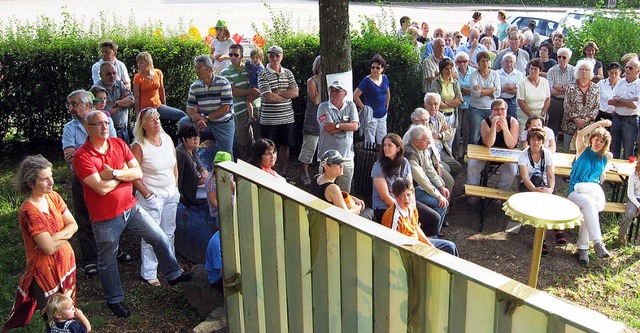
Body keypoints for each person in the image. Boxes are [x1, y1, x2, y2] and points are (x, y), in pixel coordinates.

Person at [73, 110, 192, 317]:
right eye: (99, 124)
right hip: (105, 218)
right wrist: (124, 177)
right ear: (87, 128)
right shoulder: (82, 155)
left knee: (159, 237)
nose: (104, 126)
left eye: (106, 122)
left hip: (131, 207)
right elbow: (99, 188)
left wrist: (115, 173)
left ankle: (172, 274)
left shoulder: (119, 144)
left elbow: (137, 173)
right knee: (107, 260)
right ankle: (114, 299)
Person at [3, 155, 78, 332]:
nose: (51, 182)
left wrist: (55, 237)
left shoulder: (53, 197)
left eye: (51, 176)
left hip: (66, 265)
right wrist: (64, 235)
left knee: (68, 310)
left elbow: (74, 225)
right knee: (55, 319)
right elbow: (48, 248)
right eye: (45, 179)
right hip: (45, 273)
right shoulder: (29, 212)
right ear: (31, 183)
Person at [62, 90, 118, 278]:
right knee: (85, 216)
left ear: (87, 105)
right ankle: (90, 258)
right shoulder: (70, 128)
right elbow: (69, 155)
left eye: (74, 104)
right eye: (69, 104)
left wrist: (84, 155)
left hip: (106, 174)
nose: (70, 108)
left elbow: (113, 147)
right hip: (82, 178)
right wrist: (93, 154)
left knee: (111, 214)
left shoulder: (104, 120)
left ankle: (113, 251)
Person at [131, 108, 180, 287]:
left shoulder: (167, 139)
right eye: (152, 120)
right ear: (143, 125)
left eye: (157, 118)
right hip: (150, 196)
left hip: (170, 193)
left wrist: (175, 187)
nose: (157, 122)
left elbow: (174, 166)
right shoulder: (139, 146)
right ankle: (149, 272)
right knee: (152, 235)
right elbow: (134, 175)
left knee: (169, 232)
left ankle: (171, 268)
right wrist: (147, 194)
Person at [372, 133, 441, 235]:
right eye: (384, 145)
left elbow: (410, 189)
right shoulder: (378, 166)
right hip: (386, 207)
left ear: (398, 148)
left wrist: (412, 208)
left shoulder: (405, 162)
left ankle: (426, 243)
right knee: (403, 227)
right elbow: (385, 196)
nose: (386, 148)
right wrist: (404, 212)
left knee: (434, 218)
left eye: (389, 145)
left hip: (406, 202)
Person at [567, 120, 613, 264]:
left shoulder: (606, 157)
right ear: (591, 139)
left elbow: (604, 167)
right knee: (587, 204)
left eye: (601, 141)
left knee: (589, 206)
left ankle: (584, 248)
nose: (597, 143)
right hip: (576, 192)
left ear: (605, 145)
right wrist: (600, 123)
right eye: (596, 139)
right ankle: (595, 243)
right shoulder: (582, 150)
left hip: (593, 193)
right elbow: (580, 133)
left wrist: (604, 171)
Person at [381, 178, 458, 256]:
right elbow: (391, 243)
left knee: (450, 246)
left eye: (408, 195)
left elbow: (416, 227)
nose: (406, 199)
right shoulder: (394, 217)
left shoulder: (411, 207)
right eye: (401, 196)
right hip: (407, 251)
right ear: (395, 196)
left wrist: (429, 245)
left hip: (417, 242)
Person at [181, 55, 235, 167]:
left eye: (199, 67)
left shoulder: (223, 83)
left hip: (223, 122)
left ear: (209, 69)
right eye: (195, 67)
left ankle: (229, 179)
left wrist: (206, 118)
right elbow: (189, 109)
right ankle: (184, 158)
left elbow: (226, 107)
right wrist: (197, 117)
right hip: (204, 121)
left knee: (226, 153)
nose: (196, 70)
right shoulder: (194, 86)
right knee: (183, 122)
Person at [466, 99, 519, 204]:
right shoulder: (485, 122)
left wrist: (505, 128)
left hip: (504, 157)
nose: (499, 112)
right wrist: (494, 127)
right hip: (484, 155)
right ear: (492, 111)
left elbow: (511, 144)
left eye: (502, 109)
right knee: (473, 166)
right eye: (496, 110)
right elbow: (489, 143)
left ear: (506, 110)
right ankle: (473, 192)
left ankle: (499, 193)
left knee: (512, 171)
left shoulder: (513, 122)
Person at [258, 45, 299, 175]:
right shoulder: (263, 74)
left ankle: (283, 171)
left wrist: (279, 92)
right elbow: (269, 97)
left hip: (287, 118)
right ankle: (269, 173)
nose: (275, 58)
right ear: (268, 56)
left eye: (277, 55)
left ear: (282, 56)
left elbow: (296, 93)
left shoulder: (288, 73)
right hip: (269, 120)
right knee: (268, 149)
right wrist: (286, 94)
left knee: (285, 146)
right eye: (272, 55)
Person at [404, 125, 450, 236]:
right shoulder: (409, 154)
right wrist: (438, 196)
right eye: (426, 140)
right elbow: (422, 179)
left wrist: (440, 186)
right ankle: (432, 236)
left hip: (420, 187)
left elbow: (430, 169)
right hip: (411, 190)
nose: (429, 142)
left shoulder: (423, 149)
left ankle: (435, 233)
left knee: (442, 200)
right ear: (416, 141)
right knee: (441, 204)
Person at [518, 128, 556, 256]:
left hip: (543, 185)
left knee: (548, 202)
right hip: (528, 186)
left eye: (538, 139)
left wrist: (550, 189)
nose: (535, 142)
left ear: (543, 141)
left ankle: (545, 236)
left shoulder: (548, 154)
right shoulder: (524, 154)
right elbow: (524, 177)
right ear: (529, 140)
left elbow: (551, 175)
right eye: (533, 139)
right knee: (542, 203)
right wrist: (534, 190)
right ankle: (544, 238)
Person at [220, 44, 262, 161]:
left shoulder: (250, 68)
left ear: (242, 56)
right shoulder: (225, 72)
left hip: (256, 107)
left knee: (259, 140)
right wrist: (252, 90)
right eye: (230, 55)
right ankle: (245, 167)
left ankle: (259, 166)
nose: (233, 57)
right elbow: (234, 92)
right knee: (243, 142)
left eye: (236, 54)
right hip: (239, 110)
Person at [317, 80, 359, 193]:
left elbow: (355, 126)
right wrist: (347, 125)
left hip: (347, 158)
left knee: (344, 194)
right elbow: (329, 129)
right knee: (325, 192)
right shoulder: (323, 107)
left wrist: (337, 125)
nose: (333, 93)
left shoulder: (351, 105)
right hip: (327, 159)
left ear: (345, 93)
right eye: (332, 90)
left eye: (337, 90)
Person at [311, 149, 374, 220]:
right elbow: (345, 215)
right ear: (327, 167)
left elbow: (332, 195)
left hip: (318, 219)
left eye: (342, 163)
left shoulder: (316, 178)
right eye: (338, 164)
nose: (342, 166)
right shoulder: (332, 188)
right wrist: (357, 208)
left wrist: (353, 198)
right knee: (370, 212)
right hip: (331, 224)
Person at [133, 51, 187, 122]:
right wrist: (138, 114)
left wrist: (165, 105)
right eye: (138, 63)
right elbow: (136, 97)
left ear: (148, 62)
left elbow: (161, 90)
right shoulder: (138, 78)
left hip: (158, 106)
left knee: (181, 115)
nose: (139, 65)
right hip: (146, 109)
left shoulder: (158, 73)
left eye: (141, 63)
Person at [561, 59, 600, 153]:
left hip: (588, 127)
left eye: (587, 70)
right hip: (571, 126)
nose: (584, 72)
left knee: (586, 153)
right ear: (577, 71)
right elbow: (566, 105)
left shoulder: (596, 87)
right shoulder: (571, 86)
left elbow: (596, 106)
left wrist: (585, 120)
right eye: (581, 69)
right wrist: (576, 119)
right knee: (569, 154)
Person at [421, 92, 463, 177]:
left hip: (442, 150)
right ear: (425, 106)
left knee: (457, 167)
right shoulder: (422, 119)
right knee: (446, 169)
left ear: (439, 105)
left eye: (435, 104)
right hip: (431, 153)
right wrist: (439, 135)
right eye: (430, 104)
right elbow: (429, 139)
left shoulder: (440, 116)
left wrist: (439, 135)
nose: (433, 107)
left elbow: (450, 133)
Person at [353, 53, 390, 144]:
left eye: (378, 67)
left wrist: (386, 107)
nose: (374, 70)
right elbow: (355, 95)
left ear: (382, 69)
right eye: (372, 67)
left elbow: (388, 92)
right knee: (370, 142)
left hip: (382, 114)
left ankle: (382, 158)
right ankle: (370, 158)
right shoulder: (366, 81)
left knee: (382, 140)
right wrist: (364, 108)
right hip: (371, 116)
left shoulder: (385, 78)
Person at [608, 58, 640, 159]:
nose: (627, 70)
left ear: (638, 71)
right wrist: (628, 101)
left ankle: (627, 175)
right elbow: (610, 101)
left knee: (628, 150)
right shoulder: (620, 82)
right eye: (626, 67)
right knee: (614, 148)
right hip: (617, 118)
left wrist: (619, 99)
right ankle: (614, 173)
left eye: (630, 68)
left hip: (631, 120)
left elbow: (634, 105)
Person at [432, 58, 464, 154]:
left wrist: (445, 101)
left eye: (451, 68)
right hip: (440, 116)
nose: (449, 71)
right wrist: (452, 102)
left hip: (452, 116)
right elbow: (437, 103)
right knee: (438, 142)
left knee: (449, 142)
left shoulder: (455, 82)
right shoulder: (436, 82)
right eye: (446, 68)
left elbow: (460, 101)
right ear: (441, 70)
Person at [299, 55, 322, 186]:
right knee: (309, 146)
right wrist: (321, 85)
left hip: (326, 118)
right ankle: (305, 173)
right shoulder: (311, 81)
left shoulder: (329, 80)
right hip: (313, 118)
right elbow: (316, 100)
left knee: (323, 148)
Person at [468, 50, 501, 145]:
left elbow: (497, 93)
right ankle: (473, 158)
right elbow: (476, 94)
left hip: (491, 109)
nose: (485, 63)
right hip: (476, 109)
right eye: (483, 61)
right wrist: (492, 89)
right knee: (474, 135)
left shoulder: (495, 74)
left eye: (487, 60)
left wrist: (483, 90)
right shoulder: (473, 75)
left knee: (491, 135)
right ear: (478, 63)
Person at [97, 61, 135, 143]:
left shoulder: (119, 84)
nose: (112, 76)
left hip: (124, 130)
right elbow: (107, 111)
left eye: (114, 73)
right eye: (108, 74)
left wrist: (116, 103)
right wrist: (123, 103)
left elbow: (131, 100)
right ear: (100, 75)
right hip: (109, 133)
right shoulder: (97, 89)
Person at [176, 122, 209, 207]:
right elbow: (179, 178)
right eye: (193, 137)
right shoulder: (181, 154)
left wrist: (203, 171)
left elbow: (199, 163)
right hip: (190, 192)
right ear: (183, 139)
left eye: (197, 136)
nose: (197, 139)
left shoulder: (192, 148)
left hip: (198, 184)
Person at [547, 47, 575, 138]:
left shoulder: (574, 71)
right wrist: (565, 89)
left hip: (569, 102)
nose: (561, 59)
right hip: (555, 102)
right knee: (552, 127)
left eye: (564, 57)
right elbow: (549, 90)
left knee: (567, 127)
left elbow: (573, 90)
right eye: (559, 57)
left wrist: (558, 86)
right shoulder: (551, 70)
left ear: (569, 59)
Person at [517, 59, 550, 130]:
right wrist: (532, 115)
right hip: (525, 116)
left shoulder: (545, 82)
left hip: (540, 115)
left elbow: (547, 99)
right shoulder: (522, 82)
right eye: (531, 69)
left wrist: (542, 114)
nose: (532, 71)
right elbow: (520, 101)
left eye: (535, 69)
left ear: (540, 70)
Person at [205, 151, 234, 228]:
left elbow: (235, 190)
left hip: (230, 206)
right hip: (219, 212)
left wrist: (230, 181)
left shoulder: (228, 174)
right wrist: (225, 210)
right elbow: (213, 200)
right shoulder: (212, 180)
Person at [455, 52, 476, 159]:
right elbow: (454, 90)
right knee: (457, 129)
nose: (462, 64)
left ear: (468, 61)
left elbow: (476, 90)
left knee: (467, 129)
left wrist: (462, 89)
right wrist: (466, 90)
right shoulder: (454, 72)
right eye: (459, 61)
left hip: (470, 105)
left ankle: (466, 150)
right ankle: (457, 151)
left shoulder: (473, 72)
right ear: (456, 63)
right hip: (457, 105)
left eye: (464, 61)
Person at [619, 160, 640, 246]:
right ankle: (622, 234)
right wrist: (638, 206)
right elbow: (630, 194)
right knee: (629, 213)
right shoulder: (633, 176)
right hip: (634, 198)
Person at [497, 53, 524, 119]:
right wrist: (510, 87)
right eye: (507, 61)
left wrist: (504, 88)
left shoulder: (519, 74)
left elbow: (518, 91)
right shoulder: (497, 73)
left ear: (514, 63)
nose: (509, 64)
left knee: (512, 121)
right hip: (500, 100)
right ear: (503, 62)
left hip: (513, 102)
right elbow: (497, 90)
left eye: (511, 62)